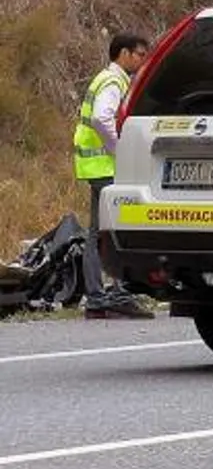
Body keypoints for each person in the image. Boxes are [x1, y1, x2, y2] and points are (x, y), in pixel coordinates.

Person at [72, 31, 153, 319]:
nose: (143, 61)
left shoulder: (106, 78)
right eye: (140, 55)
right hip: (106, 167)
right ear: (124, 54)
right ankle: (118, 294)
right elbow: (101, 118)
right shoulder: (113, 81)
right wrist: (121, 151)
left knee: (98, 234)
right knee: (119, 230)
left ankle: (96, 298)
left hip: (96, 167)